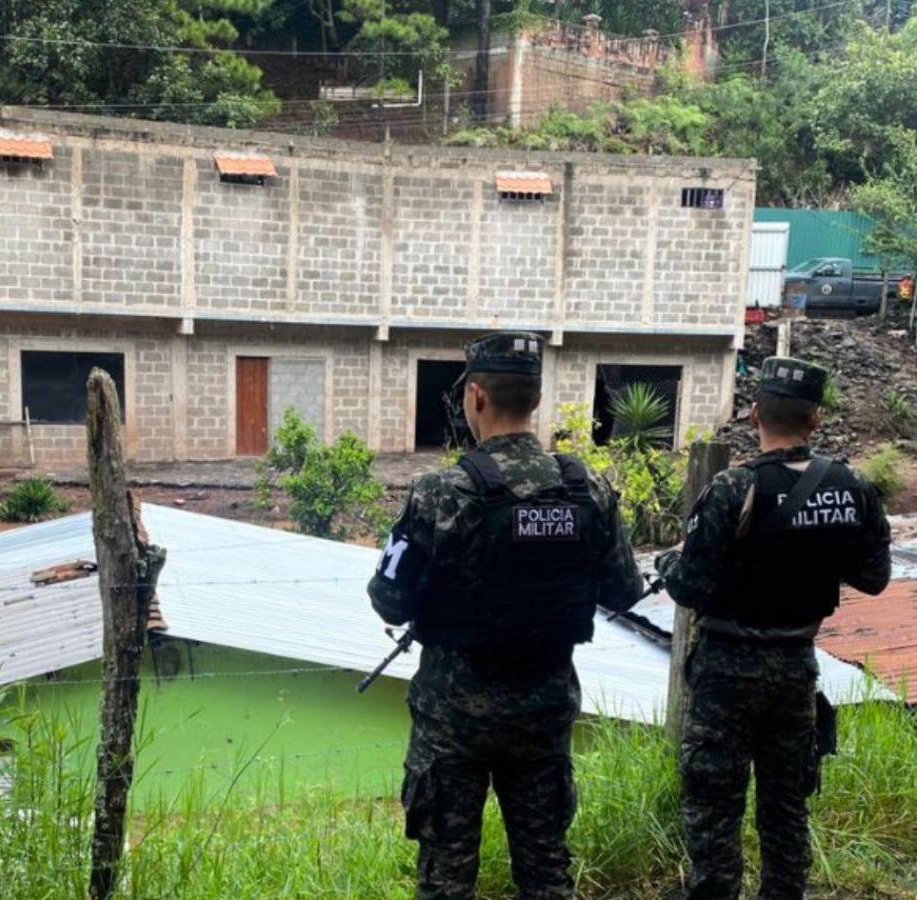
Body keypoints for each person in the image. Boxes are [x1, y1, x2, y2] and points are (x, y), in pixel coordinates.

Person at [368, 332, 643, 900]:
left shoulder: (440, 492)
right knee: (545, 870)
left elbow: (389, 599)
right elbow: (622, 590)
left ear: (475, 396)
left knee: (447, 878)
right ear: (536, 399)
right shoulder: (586, 488)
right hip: (544, 710)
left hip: (454, 721)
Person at [656, 357, 892, 900]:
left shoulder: (733, 488)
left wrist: (667, 564)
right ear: (815, 420)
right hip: (794, 667)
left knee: (714, 804)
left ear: (755, 414)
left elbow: (690, 586)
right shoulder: (851, 486)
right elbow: (876, 578)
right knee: (786, 804)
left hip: (725, 672)